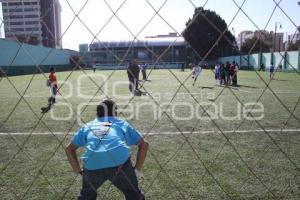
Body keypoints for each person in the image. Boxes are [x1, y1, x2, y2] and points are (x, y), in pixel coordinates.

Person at [65, 99, 149, 200]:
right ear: (115, 113)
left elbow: (69, 149)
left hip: (93, 164)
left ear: (97, 114)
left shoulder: (88, 126)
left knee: (87, 195)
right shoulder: (120, 123)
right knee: (133, 194)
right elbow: (144, 145)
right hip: (120, 164)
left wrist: (78, 171)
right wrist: (137, 170)